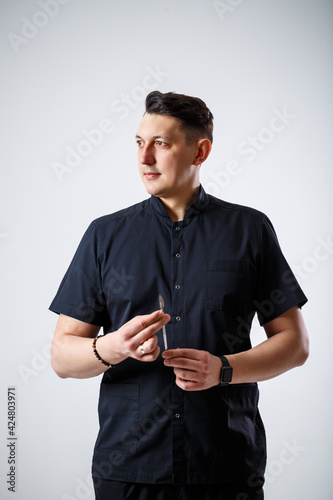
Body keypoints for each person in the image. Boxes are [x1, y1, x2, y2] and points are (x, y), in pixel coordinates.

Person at [50, 91, 309, 500]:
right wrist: (113, 346)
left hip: (225, 468)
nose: (144, 157)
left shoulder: (250, 230)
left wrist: (222, 368)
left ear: (200, 151)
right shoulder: (104, 236)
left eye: (161, 143)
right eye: (139, 143)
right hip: (129, 470)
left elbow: (295, 344)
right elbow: (62, 357)